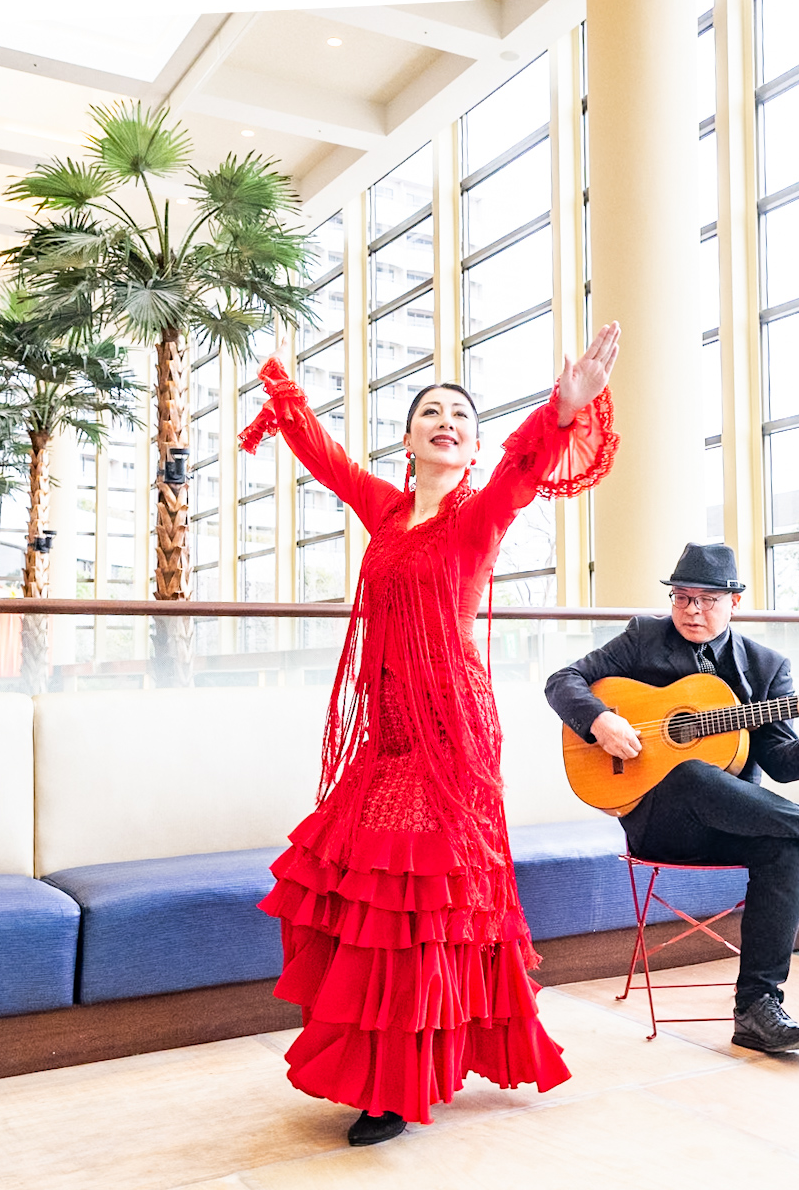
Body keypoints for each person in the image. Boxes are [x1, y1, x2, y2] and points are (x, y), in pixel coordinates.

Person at [240, 323, 622, 1145]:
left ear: (473, 446)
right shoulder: (385, 511)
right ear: (409, 441)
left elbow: (522, 476)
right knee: (361, 884)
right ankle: (396, 1063)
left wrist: (562, 411)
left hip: (450, 732)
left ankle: (395, 1085)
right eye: (430, 414)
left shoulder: (477, 515)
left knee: (414, 897)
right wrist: (280, 387)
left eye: (460, 416)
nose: (446, 422)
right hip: (387, 734)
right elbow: (328, 462)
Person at [544, 542, 799, 1054]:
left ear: (735, 602)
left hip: (733, 822)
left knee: (784, 847)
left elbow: (781, 764)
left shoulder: (766, 668)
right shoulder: (643, 638)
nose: (692, 611)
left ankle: (756, 1009)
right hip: (658, 820)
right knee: (689, 773)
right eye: (682, 598)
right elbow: (562, 681)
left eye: (706, 600)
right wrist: (600, 719)